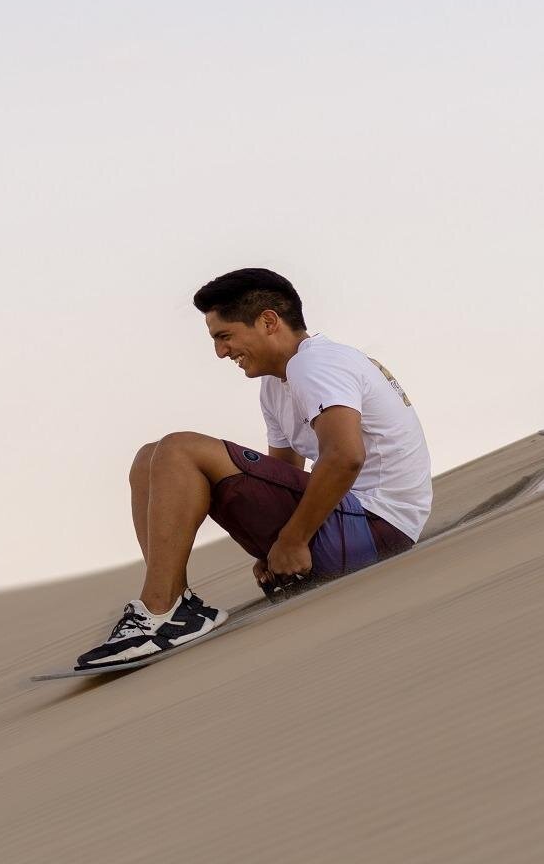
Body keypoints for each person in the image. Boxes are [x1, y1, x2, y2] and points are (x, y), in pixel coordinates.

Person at [74, 268, 433, 669]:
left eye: (224, 336)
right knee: (149, 458)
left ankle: (158, 609)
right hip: (348, 526)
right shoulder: (276, 383)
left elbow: (344, 456)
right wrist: (274, 538)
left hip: (377, 528)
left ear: (268, 321)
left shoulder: (316, 363)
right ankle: (175, 603)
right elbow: (281, 471)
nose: (220, 352)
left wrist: (292, 540)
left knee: (178, 449)